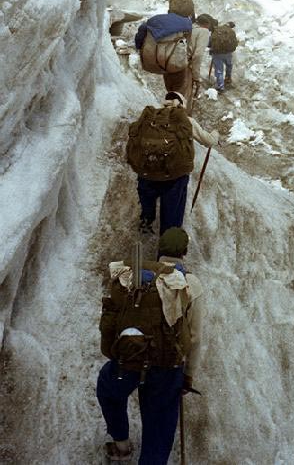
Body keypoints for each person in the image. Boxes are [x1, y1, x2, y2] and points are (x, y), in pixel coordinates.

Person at [97, 227, 203, 465]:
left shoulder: (135, 274)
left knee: (108, 389)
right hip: (166, 367)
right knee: (159, 426)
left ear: (160, 251)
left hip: (129, 359)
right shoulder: (189, 284)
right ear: (184, 252)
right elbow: (194, 338)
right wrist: (188, 377)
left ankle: (121, 446)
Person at [129, 90, 219, 234]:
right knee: (172, 214)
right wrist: (216, 134)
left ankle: (147, 219)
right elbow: (208, 141)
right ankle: (168, 242)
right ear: (182, 104)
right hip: (173, 177)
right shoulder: (186, 121)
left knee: (148, 196)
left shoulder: (152, 118)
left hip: (147, 173)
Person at [135, 0, 196, 113]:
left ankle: (170, 104)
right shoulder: (187, 24)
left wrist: (139, 48)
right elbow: (189, 47)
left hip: (159, 63)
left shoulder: (154, 20)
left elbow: (140, 35)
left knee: (170, 85)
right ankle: (180, 116)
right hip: (174, 64)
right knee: (181, 90)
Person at [209, 22, 238, 93]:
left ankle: (220, 86)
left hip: (217, 53)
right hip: (228, 53)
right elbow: (235, 43)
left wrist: (211, 49)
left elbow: (210, 42)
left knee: (219, 70)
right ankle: (228, 78)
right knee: (229, 65)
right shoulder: (231, 32)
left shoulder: (216, 30)